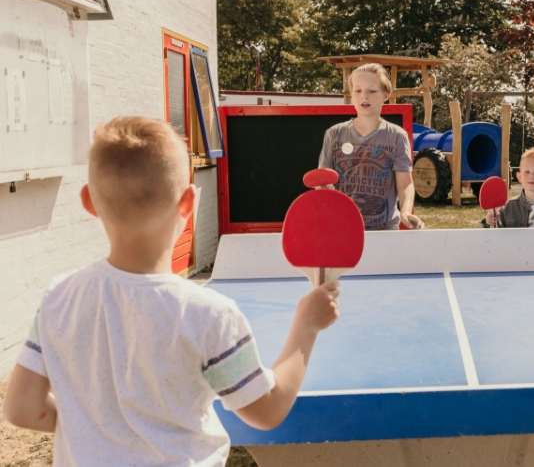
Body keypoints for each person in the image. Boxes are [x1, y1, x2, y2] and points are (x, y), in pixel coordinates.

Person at [1, 117, 342, 466]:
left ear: (89, 201)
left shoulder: (58, 297)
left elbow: (22, 408)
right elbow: (266, 410)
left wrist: (96, 426)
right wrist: (306, 326)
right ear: (188, 203)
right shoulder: (210, 315)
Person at [319, 63, 424, 230]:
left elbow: (405, 183)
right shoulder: (334, 134)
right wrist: (325, 189)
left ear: (385, 94)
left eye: (372, 91)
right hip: (341, 229)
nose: (364, 97)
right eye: (358, 91)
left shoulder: (397, 136)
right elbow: (323, 180)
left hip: (385, 230)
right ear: (351, 94)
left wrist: (405, 211)